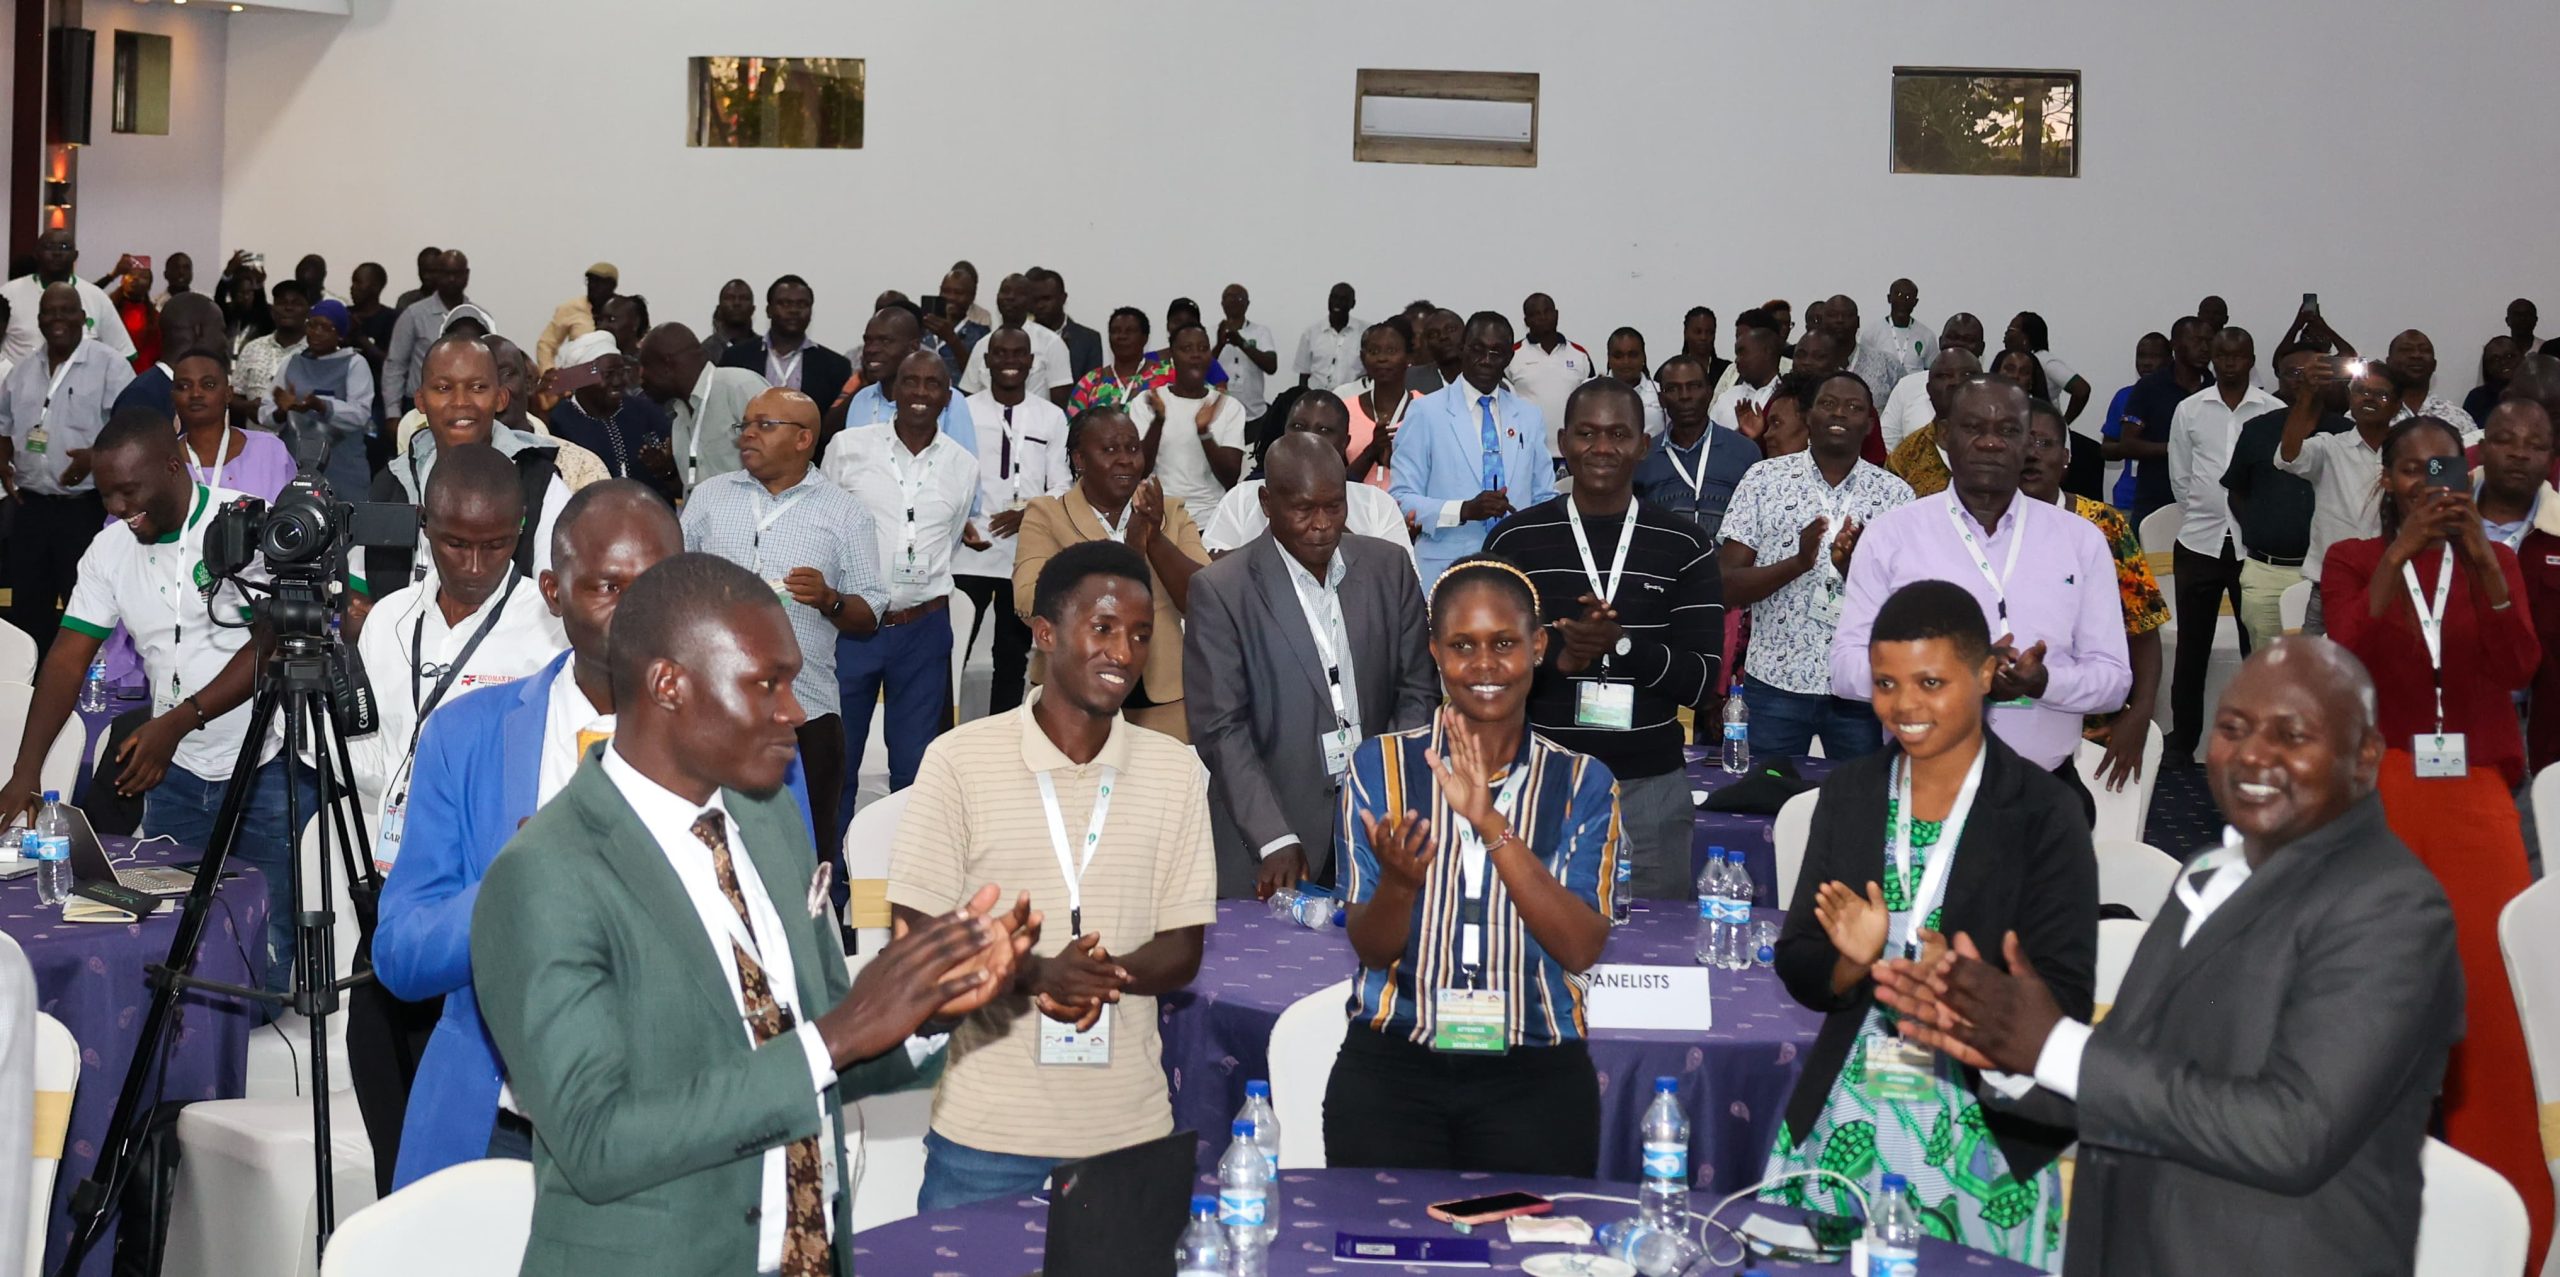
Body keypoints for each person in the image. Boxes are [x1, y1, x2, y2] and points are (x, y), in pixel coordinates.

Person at [472, 551, 1029, 1272]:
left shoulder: (767, 821)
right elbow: (597, 1142)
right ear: (669, 685)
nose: (793, 711)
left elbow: (817, 1057)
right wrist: (836, 1035)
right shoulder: (546, 875)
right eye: (767, 683)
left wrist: (928, 1007)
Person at [1874, 637, 2461, 1277]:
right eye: (2232, 728)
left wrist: (2052, 1046)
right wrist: (2001, 1047)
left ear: (2365, 757)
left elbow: (2291, 1133)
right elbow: (2131, 1069)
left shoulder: (2392, 906)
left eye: (2291, 735)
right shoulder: (2208, 871)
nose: (2253, 754)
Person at [375, 482, 734, 1185]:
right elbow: (402, 956)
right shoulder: (467, 735)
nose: (640, 611)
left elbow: (786, 959)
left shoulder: (744, 739)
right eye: (609, 586)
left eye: (658, 584)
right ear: (552, 591)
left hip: (688, 1144)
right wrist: (515, 880)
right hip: (501, 1136)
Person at [1764, 579, 2091, 1270]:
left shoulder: (2044, 812)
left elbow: (2065, 997)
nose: (1904, 706)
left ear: (1985, 674)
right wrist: (1852, 961)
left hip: (1984, 1131)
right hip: (1850, 1110)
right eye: (1886, 683)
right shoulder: (1851, 793)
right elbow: (1797, 963)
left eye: (1931, 682)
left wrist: (1969, 988)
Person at [888, 539, 1212, 1209]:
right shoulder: (958, 761)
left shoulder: (1176, 770)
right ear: (1044, 634)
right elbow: (917, 940)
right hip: (985, 1130)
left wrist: (1096, 975)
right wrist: (1038, 973)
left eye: (1140, 634)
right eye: (1103, 628)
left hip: (1127, 1130)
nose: (1123, 652)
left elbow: (1183, 949)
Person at [2321, 414, 2550, 1253]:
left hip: (2479, 796)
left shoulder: (2496, 560)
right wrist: (2401, 553)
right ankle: (2361, 1210)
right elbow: (2346, 657)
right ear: (2387, 480)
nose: (2429, 482)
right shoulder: (2353, 558)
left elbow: (2520, 664)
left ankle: (2510, 1220)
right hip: (2379, 793)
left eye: (2444, 467)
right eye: (2412, 469)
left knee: (2490, 1001)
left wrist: (2482, 557)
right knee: (2377, 996)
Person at [1325, 559, 1617, 1174]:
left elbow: (1580, 947)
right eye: (1462, 646)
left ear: (1538, 647)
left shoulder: (1583, 783)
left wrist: (1490, 823)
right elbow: (1372, 949)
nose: (1484, 665)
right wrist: (1399, 884)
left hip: (1535, 1072)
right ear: (1435, 652)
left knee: (1528, 1238)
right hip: (1393, 1068)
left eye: (1504, 643)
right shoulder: (1379, 768)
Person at [0, 409, 292, 985]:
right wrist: (25, 772)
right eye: (106, 494)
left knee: (271, 947)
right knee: (183, 946)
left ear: (173, 465)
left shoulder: (245, 524)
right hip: (175, 777)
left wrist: (177, 722)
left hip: (262, 765)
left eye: (129, 491)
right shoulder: (109, 549)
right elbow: (66, 660)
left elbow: (273, 641)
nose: (116, 507)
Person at [1834, 379, 2131, 818]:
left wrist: (2043, 682)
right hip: (1924, 796)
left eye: (2009, 430)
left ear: (2027, 443)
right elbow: (1845, 670)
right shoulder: (1892, 536)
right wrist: (1948, 676)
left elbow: (2114, 681)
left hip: (2044, 797)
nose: (1991, 442)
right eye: (1974, 427)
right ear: (1944, 435)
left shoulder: (2080, 541)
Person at [1482, 378, 1723, 900]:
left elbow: (1702, 681)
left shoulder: (1685, 544)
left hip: (1649, 789)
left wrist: (1621, 645)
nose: (1602, 448)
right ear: (1563, 442)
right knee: (1529, 937)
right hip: (1535, 785)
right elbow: (1486, 677)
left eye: (1618, 434)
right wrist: (1559, 657)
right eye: (1587, 433)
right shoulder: (1514, 541)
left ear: (1644, 445)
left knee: (1653, 942)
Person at [1186, 432, 1434, 897]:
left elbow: (1417, 691)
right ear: (1267, 502)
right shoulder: (1222, 590)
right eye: (1303, 509)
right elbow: (1221, 730)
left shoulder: (1391, 567)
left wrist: (1389, 791)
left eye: (1334, 507)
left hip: (1380, 825)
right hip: (1271, 841)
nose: (1321, 524)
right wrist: (1273, 837)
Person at [685, 386, 885, 875]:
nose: (747, 434)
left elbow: (869, 614)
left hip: (805, 713)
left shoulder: (845, 512)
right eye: (746, 424)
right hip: (710, 708)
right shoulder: (710, 497)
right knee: (708, 855)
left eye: (764, 425)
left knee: (805, 858)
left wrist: (829, 599)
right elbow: (672, 582)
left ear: (803, 439)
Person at [1719, 373, 1914, 758]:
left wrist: (1855, 572)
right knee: (1765, 791)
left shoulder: (1896, 496)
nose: (1839, 413)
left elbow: (1907, 608)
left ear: (1869, 424)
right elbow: (1725, 586)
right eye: (1828, 404)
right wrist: (1798, 563)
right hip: (1775, 684)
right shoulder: (1763, 480)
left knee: (1858, 795)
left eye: (1853, 407)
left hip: (1860, 688)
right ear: (1809, 416)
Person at [824, 351, 977, 802]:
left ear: (947, 398)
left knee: (915, 769)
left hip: (922, 630)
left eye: (933, 384)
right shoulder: (848, 448)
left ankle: (905, 850)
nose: (920, 393)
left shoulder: (963, 465)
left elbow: (949, 539)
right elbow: (824, 527)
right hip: (851, 625)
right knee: (838, 760)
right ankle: (836, 851)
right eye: (910, 381)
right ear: (894, 390)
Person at [1013, 407, 1208, 740]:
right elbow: (1028, 600)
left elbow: (1207, 600)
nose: (1125, 460)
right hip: (1071, 700)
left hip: (1164, 700)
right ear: (1079, 459)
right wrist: (1128, 554)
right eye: (1109, 449)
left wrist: (1155, 540)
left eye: (1132, 448)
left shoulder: (1170, 512)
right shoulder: (1046, 515)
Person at [2019, 400, 2166, 796]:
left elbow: (2143, 629)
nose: (2032, 454)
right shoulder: (1985, 526)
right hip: (2007, 723)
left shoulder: (2104, 526)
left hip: (2095, 726)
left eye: (2044, 443)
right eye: (2022, 441)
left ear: (2066, 458)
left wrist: (2140, 715)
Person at [362, 336, 573, 593]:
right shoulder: (392, 483)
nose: (460, 401)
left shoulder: (539, 483)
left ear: (500, 398)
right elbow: (362, 578)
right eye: (443, 388)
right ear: (421, 401)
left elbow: (554, 593)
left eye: (478, 387)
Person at [2160, 328, 2281, 754]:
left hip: (2254, 547)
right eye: (2222, 356)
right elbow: (2180, 476)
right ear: (2212, 359)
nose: (2230, 364)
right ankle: (2183, 740)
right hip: (2199, 543)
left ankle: (2256, 737)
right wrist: (2204, 509)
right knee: (2192, 647)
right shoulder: (2189, 409)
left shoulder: (2274, 411)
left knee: (2255, 649)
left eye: (2238, 356)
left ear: (2251, 359)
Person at [0, 283, 138, 653]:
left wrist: (95, 457)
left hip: (86, 509)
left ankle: (90, 681)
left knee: (88, 608)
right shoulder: (22, 372)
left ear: (83, 317)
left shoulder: (111, 366)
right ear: (39, 319)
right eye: (49, 312)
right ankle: (31, 679)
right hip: (30, 508)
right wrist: (3, 462)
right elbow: (3, 423)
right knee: (28, 608)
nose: (57, 318)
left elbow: (132, 432)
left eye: (66, 310)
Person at [1391, 312, 1558, 587]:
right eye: (1478, 349)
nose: (1486, 360)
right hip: (1445, 569)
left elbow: (1544, 496)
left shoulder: (1529, 415)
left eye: (1496, 352)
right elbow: (1400, 498)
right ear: (1462, 349)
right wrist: (1463, 510)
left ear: (1509, 357)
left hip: (1517, 567)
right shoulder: (1426, 412)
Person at [958, 327, 1074, 716]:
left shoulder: (1051, 416)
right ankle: (944, 734)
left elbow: (1062, 483)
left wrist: (1031, 514)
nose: (1010, 361)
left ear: (1031, 362)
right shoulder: (964, 411)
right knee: (954, 650)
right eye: (1001, 353)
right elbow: (949, 472)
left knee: (1011, 655)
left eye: (1018, 354)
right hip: (969, 550)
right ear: (986, 361)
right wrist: (961, 521)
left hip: (1023, 555)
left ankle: (1003, 733)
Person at [2221, 349, 2347, 648]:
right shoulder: (2257, 429)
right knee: (2268, 666)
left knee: (2327, 666)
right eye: (2295, 373)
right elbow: (2237, 490)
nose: (2304, 380)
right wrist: (2260, 528)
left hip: (2328, 574)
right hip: (2267, 572)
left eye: (2314, 372)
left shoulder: (2346, 432)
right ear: (2278, 379)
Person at [1202, 391, 1409, 554]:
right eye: (1298, 426)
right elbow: (1210, 568)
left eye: (1324, 430)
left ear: (1344, 443)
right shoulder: (1242, 498)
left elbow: (1401, 578)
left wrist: (1335, 529)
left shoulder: (1376, 505)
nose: (1309, 438)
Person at [2277, 360, 2400, 633]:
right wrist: (2306, 395)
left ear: (2396, 405)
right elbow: (2289, 456)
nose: (2369, 398)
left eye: (2381, 394)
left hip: (2392, 585)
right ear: (2350, 398)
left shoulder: (2406, 453)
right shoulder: (2329, 446)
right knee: (2316, 662)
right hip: (2330, 587)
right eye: (2361, 391)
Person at [2478, 402, 2560, 772]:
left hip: (2540, 729)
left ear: (2551, 459)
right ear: (2482, 449)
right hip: (2451, 717)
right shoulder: (2434, 523)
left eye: (2535, 445)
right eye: (2505, 440)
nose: (2519, 453)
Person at [1128, 324, 1247, 525]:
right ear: (1172, 355)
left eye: (1203, 348)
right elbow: (1140, 470)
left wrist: (1204, 432)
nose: (1196, 355)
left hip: (1210, 518)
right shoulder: (1148, 401)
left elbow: (1230, 477)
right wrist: (1159, 420)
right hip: (1158, 516)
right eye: (1187, 349)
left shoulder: (1229, 406)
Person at [1632, 354, 1761, 540]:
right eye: (1673, 388)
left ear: (1709, 393)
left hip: (1727, 558)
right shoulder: (1643, 457)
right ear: (1661, 399)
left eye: (1694, 386)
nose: (1685, 396)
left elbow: (1756, 527)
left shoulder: (1745, 452)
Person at [545, 330, 679, 503]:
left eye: (621, 372)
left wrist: (667, 470)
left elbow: (678, 482)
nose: (618, 381)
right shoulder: (560, 420)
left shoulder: (646, 410)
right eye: (608, 374)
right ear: (581, 380)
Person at [637, 320, 765, 494]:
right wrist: (667, 472)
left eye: (645, 368)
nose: (641, 380)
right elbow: (692, 487)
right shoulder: (680, 418)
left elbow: (785, 459)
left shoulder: (740, 387)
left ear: (667, 366)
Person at [267, 298, 377, 497]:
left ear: (340, 334)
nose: (316, 332)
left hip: (343, 469)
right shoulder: (292, 362)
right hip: (296, 465)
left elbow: (360, 415)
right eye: (312, 325)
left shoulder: (355, 363)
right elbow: (266, 412)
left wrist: (321, 406)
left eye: (325, 327)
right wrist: (281, 411)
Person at [839, 305, 979, 454]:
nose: (871, 349)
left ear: (913, 347)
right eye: (868, 341)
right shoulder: (861, 399)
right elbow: (848, 460)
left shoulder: (948, 400)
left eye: (885, 341)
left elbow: (963, 464)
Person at [718, 275, 852, 424]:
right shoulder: (736, 358)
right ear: (768, 310)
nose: (794, 310)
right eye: (785, 303)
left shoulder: (836, 366)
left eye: (802, 304)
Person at [2115, 315, 2211, 520]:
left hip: (2207, 506)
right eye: (2196, 340)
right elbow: (2128, 444)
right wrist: (2176, 448)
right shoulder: (2149, 387)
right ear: (2174, 344)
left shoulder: (2216, 389)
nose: (2204, 348)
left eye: (2209, 341)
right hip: (2155, 503)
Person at [170, 347, 294, 500]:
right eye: (184, 386)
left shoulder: (270, 450)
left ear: (228, 394)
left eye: (208, 385)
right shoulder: (164, 461)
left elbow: (295, 509)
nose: (196, 394)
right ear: (173, 397)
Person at [0, 228, 135, 367]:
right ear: (36, 253)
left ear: (75, 255)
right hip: (17, 380)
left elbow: (124, 354)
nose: (57, 253)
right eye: (49, 247)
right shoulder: (8, 293)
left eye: (64, 247)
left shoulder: (96, 297)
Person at [956, 273, 1073, 406]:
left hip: (1035, 417)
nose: (1010, 297)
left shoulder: (1051, 343)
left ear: (1030, 302)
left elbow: (1061, 402)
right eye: (1005, 291)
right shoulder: (982, 345)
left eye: (1019, 293)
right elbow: (968, 395)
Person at [1504, 293, 1596, 459]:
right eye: (1535, 314)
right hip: (1526, 452)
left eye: (1547, 311)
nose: (1543, 317)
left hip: (1573, 453)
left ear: (1556, 314)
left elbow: (1592, 402)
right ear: (1526, 321)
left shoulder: (1579, 355)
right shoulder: (1511, 355)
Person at [1883, 347, 1983, 498]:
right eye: (1944, 376)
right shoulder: (1904, 458)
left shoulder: (2004, 445)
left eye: (1967, 374)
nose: (1956, 382)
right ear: (1929, 390)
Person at [1336, 319, 1423, 492]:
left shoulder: (1427, 409)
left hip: (1410, 508)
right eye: (1374, 351)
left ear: (1409, 357)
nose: (1382, 358)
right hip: (1355, 507)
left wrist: (1395, 461)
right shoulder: (1344, 411)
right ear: (1363, 358)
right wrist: (1372, 451)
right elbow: (1335, 481)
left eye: (1391, 351)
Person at [1880, 313, 1984, 451]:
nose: (1958, 344)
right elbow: (1887, 445)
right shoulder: (1907, 386)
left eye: (1968, 339)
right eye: (1952, 337)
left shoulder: (1993, 391)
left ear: (1981, 347)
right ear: (1940, 341)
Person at [383, 249, 469, 414]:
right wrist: (392, 413)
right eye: (446, 273)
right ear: (438, 275)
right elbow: (396, 365)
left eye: (457, 274)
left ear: (466, 275)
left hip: (464, 406)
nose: (452, 279)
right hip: (419, 408)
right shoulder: (414, 314)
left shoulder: (477, 318)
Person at [2099, 332, 2173, 510]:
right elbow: (2106, 449)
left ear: (2170, 360)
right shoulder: (2124, 396)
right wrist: (2132, 447)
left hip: (2171, 499)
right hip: (2129, 499)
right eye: (2141, 356)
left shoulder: (2181, 398)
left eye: (2154, 356)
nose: (2146, 362)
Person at [229, 279, 309, 424]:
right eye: (282, 302)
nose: (288, 307)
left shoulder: (317, 352)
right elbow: (234, 395)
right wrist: (248, 406)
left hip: (302, 435)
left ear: (308, 311)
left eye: (296, 303)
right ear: (273, 310)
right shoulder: (253, 348)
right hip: (257, 435)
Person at [2003, 311, 2090, 428]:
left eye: (2010, 330)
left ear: (2025, 337)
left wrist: (2063, 424)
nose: (2005, 336)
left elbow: (2082, 389)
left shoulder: (2045, 362)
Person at [2383, 329, 2475, 436]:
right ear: (2388, 362)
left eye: (2424, 350)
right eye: (2406, 349)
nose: (2416, 355)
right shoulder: (2376, 413)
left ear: (2434, 365)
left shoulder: (2459, 418)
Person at [1211, 282, 1279, 420]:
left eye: (1238, 297)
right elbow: (1201, 369)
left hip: (1255, 415)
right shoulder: (1210, 332)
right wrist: (1219, 345)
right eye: (1228, 297)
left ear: (1247, 304)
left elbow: (1271, 366)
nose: (1233, 301)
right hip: (1220, 415)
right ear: (1222, 303)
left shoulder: (1261, 332)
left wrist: (1241, 343)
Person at [533, 263, 616, 373]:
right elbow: (546, 344)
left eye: (598, 282)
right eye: (590, 281)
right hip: (579, 375)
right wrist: (549, 372)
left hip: (616, 375)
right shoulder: (570, 308)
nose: (592, 286)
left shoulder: (624, 310)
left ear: (612, 285)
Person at [1858, 277, 1933, 397]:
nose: (1903, 301)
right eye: (1898, 295)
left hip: (1916, 396)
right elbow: (1864, 369)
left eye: (1908, 297)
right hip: (1882, 396)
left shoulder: (1927, 335)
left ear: (1915, 302)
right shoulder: (1872, 333)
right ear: (1889, 298)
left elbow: (1932, 371)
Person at [1026, 266, 1104, 381]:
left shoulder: (1089, 339)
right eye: (1035, 300)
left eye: (1046, 299)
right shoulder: (1022, 337)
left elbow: (1091, 386)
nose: (1040, 305)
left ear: (1063, 298)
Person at [1708, 319, 1784, 433]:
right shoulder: (1727, 398)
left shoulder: (1787, 399)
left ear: (1767, 352)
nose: (1737, 360)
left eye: (1742, 353)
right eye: (1737, 354)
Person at [1294, 282, 1366, 394]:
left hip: (1353, 398)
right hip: (1317, 398)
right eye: (1334, 297)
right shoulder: (1311, 333)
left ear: (1352, 304)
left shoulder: (1365, 333)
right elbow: (1303, 375)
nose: (1337, 302)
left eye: (1343, 299)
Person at [922, 264, 990, 381]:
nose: (951, 297)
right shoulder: (923, 327)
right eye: (946, 291)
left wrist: (952, 339)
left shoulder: (981, 334)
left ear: (972, 296)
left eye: (958, 293)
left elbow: (976, 377)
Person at [1602, 326, 1665, 438]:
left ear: (1643, 357)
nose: (1626, 362)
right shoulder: (1590, 391)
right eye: (1618, 356)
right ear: (1609, 358)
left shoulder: (1660, 392)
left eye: (1633, 355)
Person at [2464, 334, 2520, 427]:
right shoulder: (2476, 398)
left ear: (2522, 358)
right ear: (2487, 366)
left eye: (2510, 356)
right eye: (2495, 359)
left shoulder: (2536, 393)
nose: (2503, 362)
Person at [700, 277, 757, 362]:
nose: (737, 303)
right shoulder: (705, 351)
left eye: (743, 298)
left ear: (753, 309)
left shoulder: (764, 348)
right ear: (719, 308)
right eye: (730, 298)